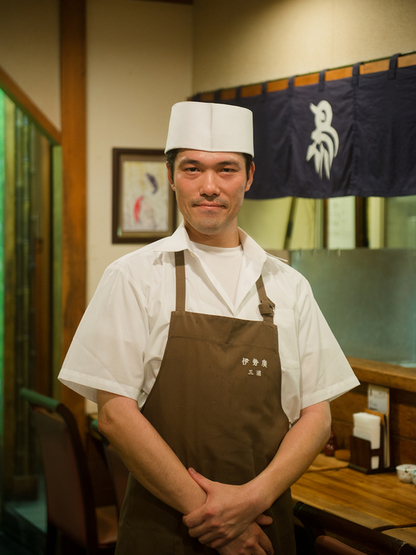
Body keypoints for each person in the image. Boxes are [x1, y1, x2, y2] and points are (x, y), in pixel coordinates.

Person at [58, 101, 359, 555]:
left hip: (263, 533)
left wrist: (250, 501)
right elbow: (116, 416)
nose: (210, 186)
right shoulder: (134, 276)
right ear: (172, 174)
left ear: (250, 176)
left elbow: (317, 418)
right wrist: (219, 520)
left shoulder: (289, 286)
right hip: (166, 532)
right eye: (193, 168)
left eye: (227, 170)